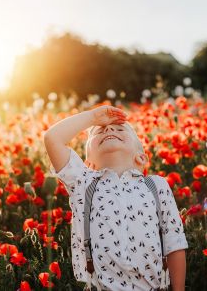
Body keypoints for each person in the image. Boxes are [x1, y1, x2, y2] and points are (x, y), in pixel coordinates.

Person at [44, 105, 188, 291]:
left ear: (141, 158)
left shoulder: (156, 186)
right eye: (100, 131)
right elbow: (52, 138)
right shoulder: (84, 183)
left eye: (120, 129)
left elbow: (174, 244)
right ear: (89, 164)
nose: (109, 129)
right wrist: (93, 117)